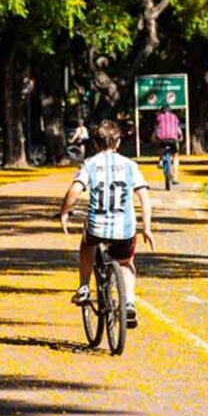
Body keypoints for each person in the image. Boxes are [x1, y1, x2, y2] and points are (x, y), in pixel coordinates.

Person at [59, 119, 155, 328]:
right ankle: (129, 302)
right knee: (126, 263)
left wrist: (64, 212)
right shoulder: (130, 166)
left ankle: (84, 287)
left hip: (97, 226)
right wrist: (147, 227)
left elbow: (74, 191)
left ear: (95, 143)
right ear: (118, 142)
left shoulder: (90, 164)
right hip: (125, 228)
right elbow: (144, 197)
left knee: (87, 242)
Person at [155, 104, 183, 184]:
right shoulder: (175, 118)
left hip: (162, 140)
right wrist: (181, 137)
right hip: (173, 140)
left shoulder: (159, 117)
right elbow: (178, 130)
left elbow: (157, 129)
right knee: (175, 156)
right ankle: (175, 177)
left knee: (159, 144)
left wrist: (154, 137)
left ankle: (160, 160)